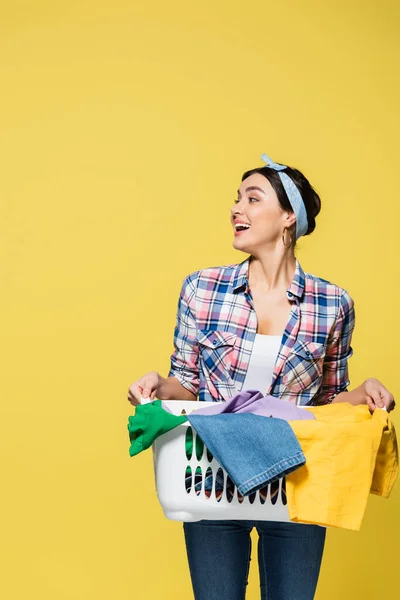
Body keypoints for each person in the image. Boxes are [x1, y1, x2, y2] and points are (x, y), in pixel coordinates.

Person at [127, 153, 395, 600]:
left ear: (289, 217)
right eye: (237, 199)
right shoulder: (203, 287)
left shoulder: (332, 303)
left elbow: (327, 402)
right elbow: (187, 384)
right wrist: (157, 384)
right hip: (209, 477)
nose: (237, 209)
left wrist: (365, 391)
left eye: (253, 199)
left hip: (295, 482)